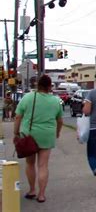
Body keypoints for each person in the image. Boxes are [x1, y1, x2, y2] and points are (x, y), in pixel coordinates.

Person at [13, 75, 64, 203]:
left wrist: (16, 133)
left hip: (29, 135)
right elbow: (60, 120)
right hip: (47, 135)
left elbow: (18, 117)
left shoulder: (28, 97)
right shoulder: (55, 101)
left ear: (37, 85)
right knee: (43, 165)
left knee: (30, 164)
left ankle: (32, 190)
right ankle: (41, 195)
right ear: (49, 86)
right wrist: (57, 133)